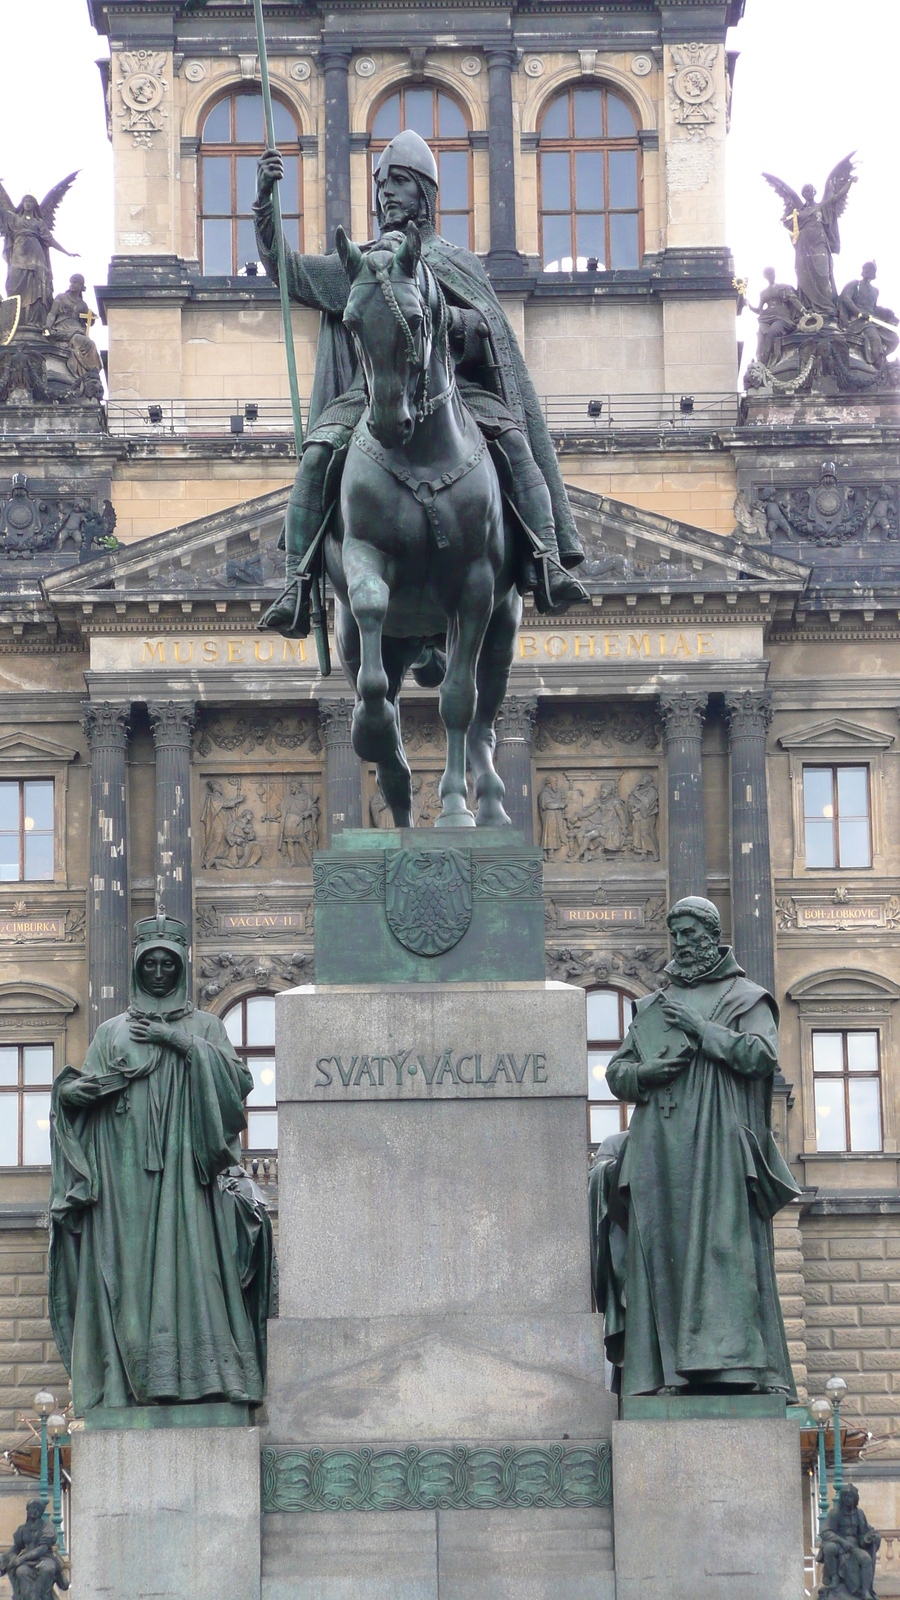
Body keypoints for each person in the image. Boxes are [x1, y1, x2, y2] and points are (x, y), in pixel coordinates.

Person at [253, 129, 588, 635]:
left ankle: (546, 560)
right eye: (384, 184)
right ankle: (296, 585)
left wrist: (451, 324)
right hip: (368, 396)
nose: (387, 193)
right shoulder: (364, 264)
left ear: (427, 195)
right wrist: (265, 205)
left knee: (516, 444)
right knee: (318, 453)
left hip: (456, 394)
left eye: (401, 182)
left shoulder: (459, 263)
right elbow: (289, 271)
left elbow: (487, 332)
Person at [49, 914, 273, 1411]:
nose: (156, 972)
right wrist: (71, 1093)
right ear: (135, 968)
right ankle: (129, 1385)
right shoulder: (110, 1033)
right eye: (148, 963)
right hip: (124, 1182)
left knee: (198, 1271)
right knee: (127, 1281)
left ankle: (207, 1380)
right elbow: (85, 1096)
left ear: (179, 966)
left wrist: (179, 1043)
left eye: (165, 963)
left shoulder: (205, 1026)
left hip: (187, 1175)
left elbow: (237, 1087)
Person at [592, 895, 799, 1397]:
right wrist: (646, 1073)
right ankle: (661, 1372)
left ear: (711, 934)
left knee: (721, 1253)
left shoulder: (746, 997)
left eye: (689, 932)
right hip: (659, 1150)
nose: (680, 943)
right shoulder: (651, 1005)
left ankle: (730, 1368)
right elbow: (617, 1072)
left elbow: (761, 1055)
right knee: (661, 1253)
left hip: (718, 1149)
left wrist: (703, 1032)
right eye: (675, 934)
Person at [818, 1484, 881, 1599]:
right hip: (838, 1543)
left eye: (851, 1496)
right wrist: (841, 1541)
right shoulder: (834, 1513)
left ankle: (865, 1591)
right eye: (846, 1496)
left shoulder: (859, 1513)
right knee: (829, 1548)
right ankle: (834, 1577)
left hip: (854, 1546)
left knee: (866, 1559)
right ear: (842, 1498)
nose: (848, 1499)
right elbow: (825, 1532)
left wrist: (872, 1537)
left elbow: (865, 1532)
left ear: (855, 1498)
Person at [44, 275, 103, 395]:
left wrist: (91, 320)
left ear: (81, 286)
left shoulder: (82, 304)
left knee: (90, 344)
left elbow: (88, 320)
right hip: (61, 328)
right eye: (71, 282)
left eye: (75, 282)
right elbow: (51, 314)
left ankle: (92, 371)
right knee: (83, 341)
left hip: (76, 329)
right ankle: (89, 370)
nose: (72, 284)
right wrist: (47, 326)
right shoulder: (61, 297)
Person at [0, 1499, 69, 1599]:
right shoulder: (22, 1529)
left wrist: (20, 1559)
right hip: (28, 1561)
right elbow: (17, 1547)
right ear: (27, 1510)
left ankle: (44, 1596)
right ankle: (27, 1596)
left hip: (45, 1558)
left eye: (38, 1508)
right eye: (32, 1508)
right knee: (21, 1571)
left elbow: (42, 1548)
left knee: (47, 1569)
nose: (35, 1511)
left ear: (41, 1512)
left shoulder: (48, 1527)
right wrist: (4, 1557)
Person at [840, 261, 900, 371]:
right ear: (863, 270)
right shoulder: (855, 284)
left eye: (871, 269)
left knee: (894, 339)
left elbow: (873, 307)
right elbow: (846, 298)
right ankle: (878, 362)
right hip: (858, 320)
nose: (868, 271)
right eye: (867, 268)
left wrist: (887, 312)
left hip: (873, 320)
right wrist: (859, 312)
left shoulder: (875, 291)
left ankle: (879, 354)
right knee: (875, 338)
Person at [748, 268, 803, 367]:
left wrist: (803, 310)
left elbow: (793, 299)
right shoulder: (763, 293)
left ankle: (765, 360)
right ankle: (762, 358)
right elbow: (759, 310)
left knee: (773, 331)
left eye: (772, 273)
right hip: (766, 317)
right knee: (761, 335)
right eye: (768, 274)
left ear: (774, 274)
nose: (771, 276)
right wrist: (749, 306)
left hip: (782, 317)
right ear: (766, 277)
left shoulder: (783, 287)